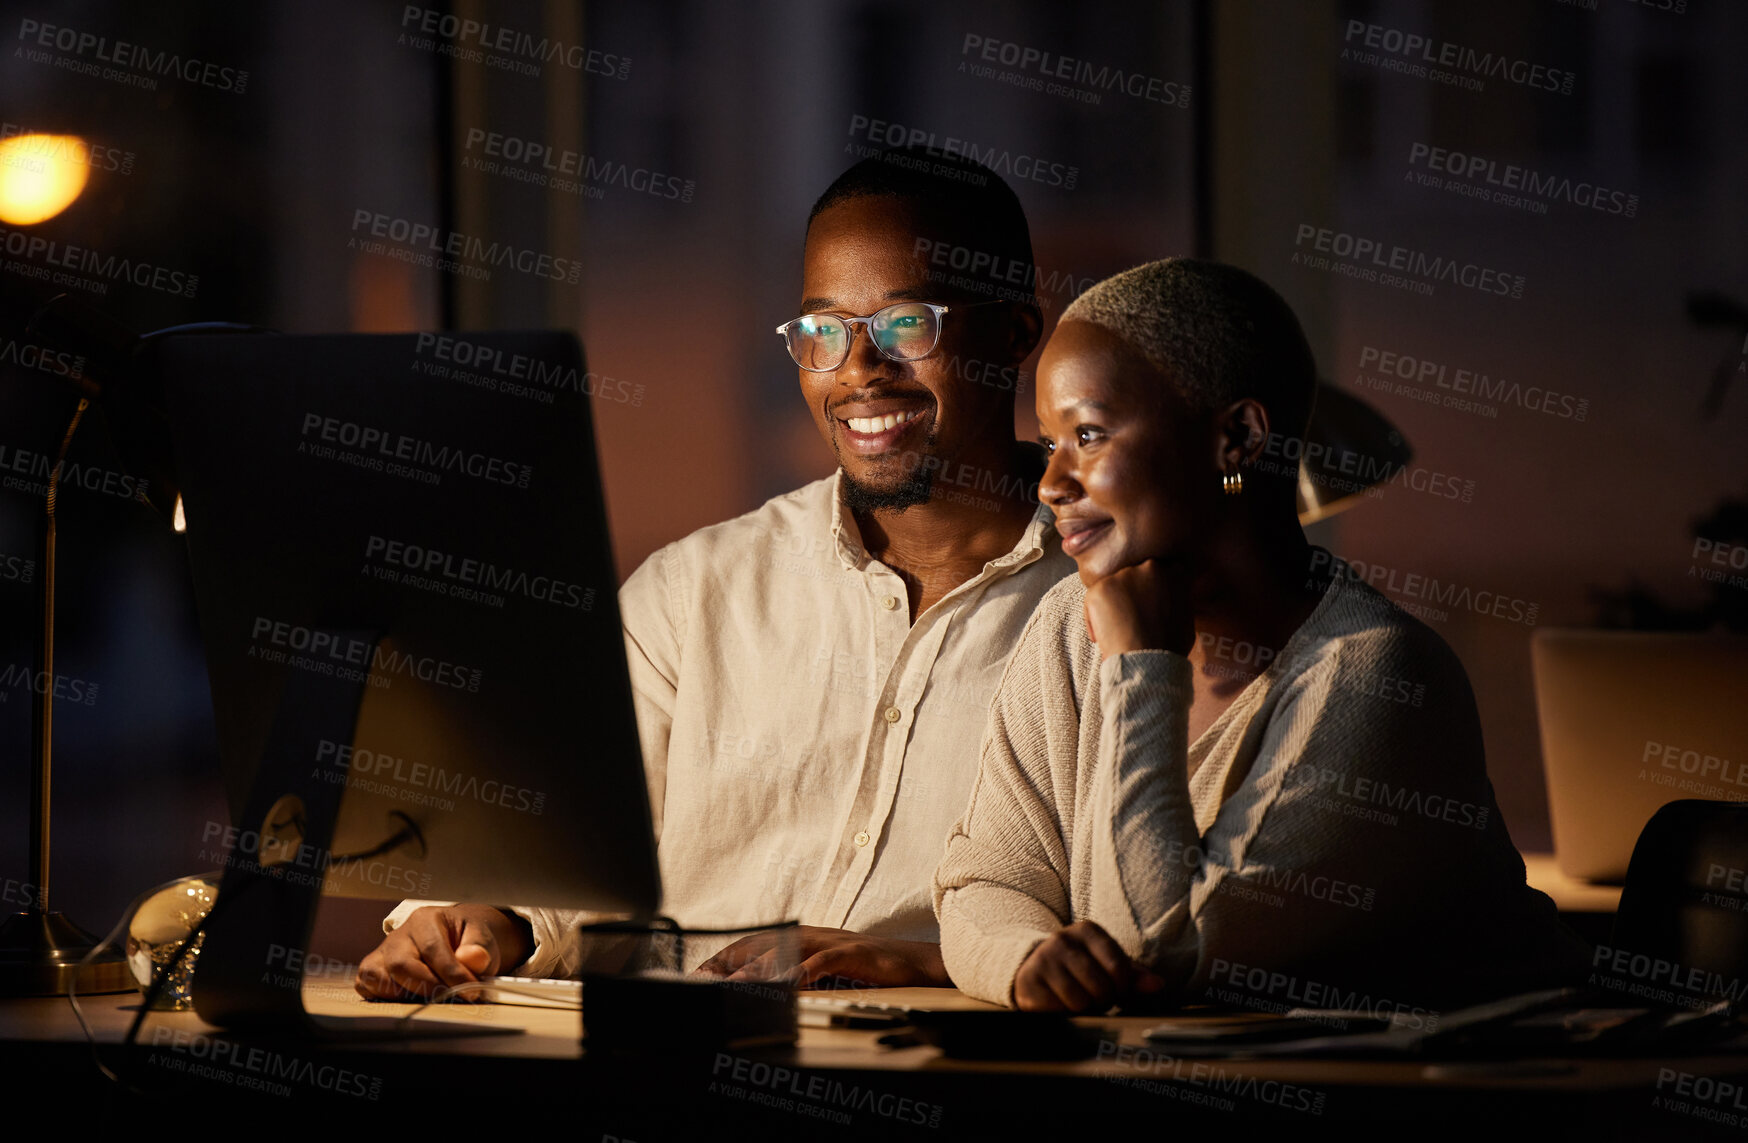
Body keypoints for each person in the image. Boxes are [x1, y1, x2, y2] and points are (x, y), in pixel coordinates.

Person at [355, 147, 1076, 1000]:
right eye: (821, 333)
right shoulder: (693, 594)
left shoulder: (1107, 600)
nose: (857, 372)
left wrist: (933, 960)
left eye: (906, 325)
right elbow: (559, 848)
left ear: (1016, 335)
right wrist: (484, 919)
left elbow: (1152, 925)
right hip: (659, 1065)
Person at [932, 258, 1590, 1013]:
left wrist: (1142, 665)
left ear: (1239, 438)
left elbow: (1167, 953)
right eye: (1050, 443)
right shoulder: (1068, 625)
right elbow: (983, 880)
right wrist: (1027, 958)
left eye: (1088, 434)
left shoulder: (1379, 674)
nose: (1051, 484)